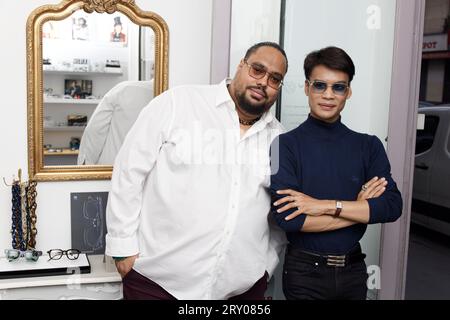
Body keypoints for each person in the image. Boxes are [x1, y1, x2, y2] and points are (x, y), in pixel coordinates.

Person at [105, 42, 289, 300]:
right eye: (257, 70)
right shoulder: (178, 103)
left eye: (274, 79)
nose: (263, 82)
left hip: (240, 290)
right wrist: (123, 250)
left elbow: (279, 213)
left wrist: (266, 267)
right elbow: (128, 173)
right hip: (156, 284)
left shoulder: (279, 139)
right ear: (241, 66)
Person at [270, 46, 403, 300]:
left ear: (348, 92)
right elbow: (290, 220)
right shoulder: (282, 145)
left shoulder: (369, 146)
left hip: (353, 271)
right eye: (320, 85)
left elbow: (392, 206)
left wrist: (322, 206)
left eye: (338, 87)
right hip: (304, 273)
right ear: (307, 88)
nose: (328, 95)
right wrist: (361, 209)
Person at [77, 80, 154, 165]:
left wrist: (86, 166)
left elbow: (96, 130)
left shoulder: (125, 89)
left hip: (108, 170)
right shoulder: (168, 101)